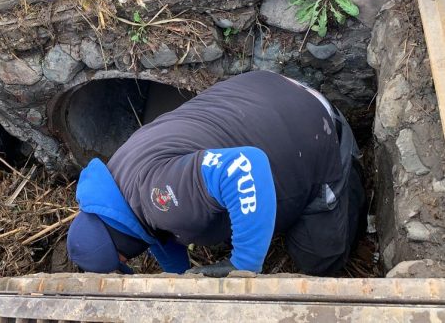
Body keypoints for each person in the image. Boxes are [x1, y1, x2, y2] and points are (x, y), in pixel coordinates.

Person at [66, 70, 365, 276]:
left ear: (118, 247)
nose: (127, 260)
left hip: (314, 130)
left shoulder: (158, 198)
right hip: (266, 93)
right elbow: (156, 232)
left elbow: (244, 168)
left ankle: (355, 172)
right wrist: (180, 278)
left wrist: (244, 265)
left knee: (321, 260)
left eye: (121, 260)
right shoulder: (117, 186)